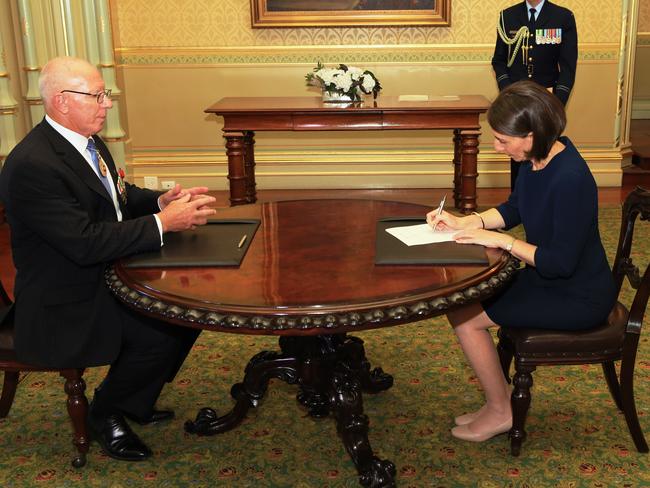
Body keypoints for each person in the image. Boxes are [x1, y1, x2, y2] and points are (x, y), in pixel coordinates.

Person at [0, 57, 217, 461]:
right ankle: (106, 412)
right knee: (160, 330)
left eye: (106, 95)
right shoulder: (33, 166)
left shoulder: (85, 140)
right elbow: (84, 242)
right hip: (63, 297)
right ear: (61, 102)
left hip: (103, 273)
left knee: (189, 312)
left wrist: (157, 201)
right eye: (97, 96)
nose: (106, 104)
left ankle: (133, 398)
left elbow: (116, 195)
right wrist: (162, 223)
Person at [426, 81, 616, 443]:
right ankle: (497, 401)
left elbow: (559, 262)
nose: (497, 147)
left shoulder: (572, 179)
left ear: (529, 135)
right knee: (462, 304)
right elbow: (516, 207)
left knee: (467, 318)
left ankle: (501, 411)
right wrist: (469, 221)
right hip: (550, 277)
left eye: (502, 140)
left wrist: (504, 242)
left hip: (578, 294)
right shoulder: (537, 158)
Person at [492, 0, 577, 190]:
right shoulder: (507, 16)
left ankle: (544, 198)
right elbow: (499, 61)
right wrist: (509, 93)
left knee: (545, 153)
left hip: (546, 101)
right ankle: (519, 200)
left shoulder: (563, 17)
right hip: (516, 102)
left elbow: (568, 68)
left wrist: (556, 103)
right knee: (516, 152)